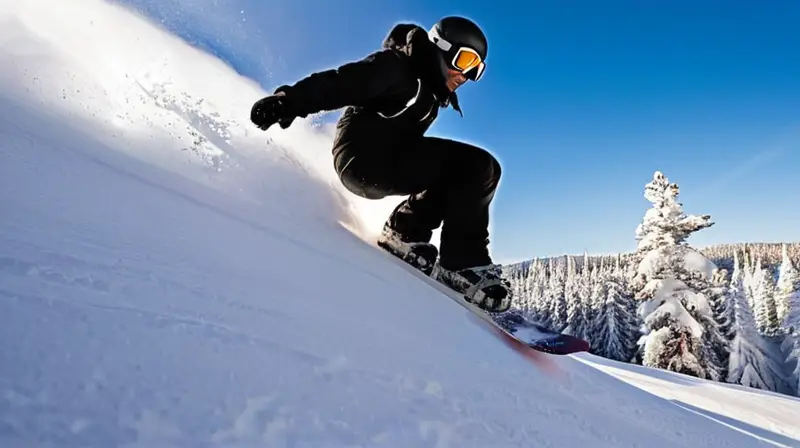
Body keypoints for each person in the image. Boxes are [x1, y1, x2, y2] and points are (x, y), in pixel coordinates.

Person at [250, 16, 512, 313]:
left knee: (464, 171)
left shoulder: (428, 92)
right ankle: (464, 263)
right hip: (364, 157)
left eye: (476, 70)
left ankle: (404, 232)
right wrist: (290, 101)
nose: (466, 75)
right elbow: (343, 82)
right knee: (478, 165)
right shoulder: (400, 68)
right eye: (465, 60)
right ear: (441, 46)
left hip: (384, 160)